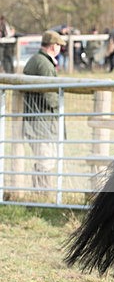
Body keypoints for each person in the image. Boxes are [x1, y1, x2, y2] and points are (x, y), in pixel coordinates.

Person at [22, 30, 66, 188]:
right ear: (54, 46)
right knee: (46, 160)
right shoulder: (45, 64)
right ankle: (41, 193)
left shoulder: (35, 60)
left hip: (36, 120)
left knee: (44, 159)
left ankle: (39, 193)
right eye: (59, 46)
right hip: (41, 122)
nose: (60, 49)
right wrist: (61, 100)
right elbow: (50, 96)